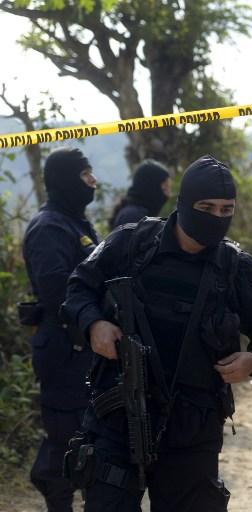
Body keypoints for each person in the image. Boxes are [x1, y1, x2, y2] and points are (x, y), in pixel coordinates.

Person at [61, 155, 252, 511]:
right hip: (118, 417)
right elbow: (78, 288)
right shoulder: (131, 243)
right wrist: (94, 323)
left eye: (226, 209)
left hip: (192, 428)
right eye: (206, 206)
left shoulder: (235, 266)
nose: (216, 217)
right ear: (183, 204)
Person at [22, 147, 99, 512]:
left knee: (80, 434)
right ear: (69, 179)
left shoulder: (75, 222)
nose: (93, 182)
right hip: (65, 349)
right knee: (65, 437)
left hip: (83, 347)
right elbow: (57, 292)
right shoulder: (49, 227)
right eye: (86, 176)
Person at [108, 159, 171, 230]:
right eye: (165, 187)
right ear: (150, 187)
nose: (168, 194)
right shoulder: (132, 217)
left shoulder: (143, 214)